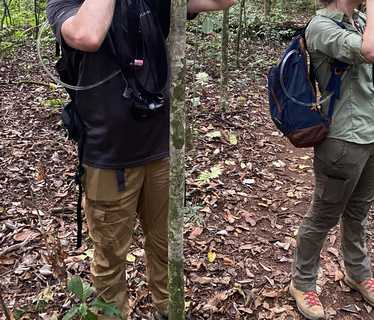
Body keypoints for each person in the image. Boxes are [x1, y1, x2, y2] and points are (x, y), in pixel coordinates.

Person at [45, 0, 235, 319]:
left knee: (166, 243)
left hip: (160, 148)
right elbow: (88, 35)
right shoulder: (65, 3)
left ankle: (168, 308)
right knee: (110, 257)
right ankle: (112, 314)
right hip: (107, 156)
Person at [289, 0, 374, 319]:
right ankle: (302, 281)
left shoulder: (361, 19)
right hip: (343, 140)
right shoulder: (321, 27)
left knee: (359, 211)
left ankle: (357, 274)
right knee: (323, 214)